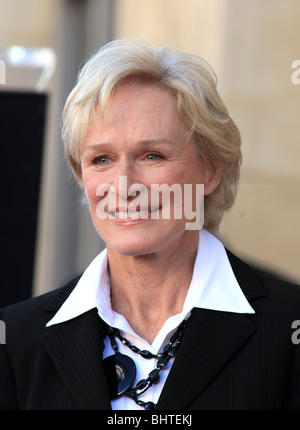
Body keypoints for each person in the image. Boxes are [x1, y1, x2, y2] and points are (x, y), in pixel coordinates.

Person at [0, 38, 300, 410]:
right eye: (101, 159)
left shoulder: (289, 328)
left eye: (152, 155)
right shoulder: (15, 340)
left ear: (210, 170)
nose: (124, 186)